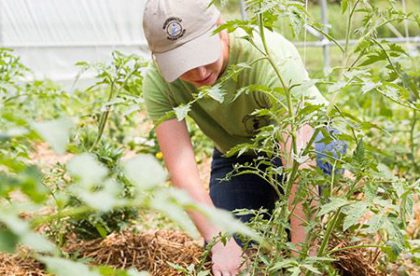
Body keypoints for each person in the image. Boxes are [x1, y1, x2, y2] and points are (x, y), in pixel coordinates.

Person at [142, 1, 345, 275]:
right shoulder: (158, 83)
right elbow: (181, 169)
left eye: (203, 55)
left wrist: (303, 256)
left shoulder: (267, 57)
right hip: (237, 155)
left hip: (311, 143)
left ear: (221, 28)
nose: (200, 73)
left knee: (299, 240)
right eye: (184, 65)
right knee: (234, 254)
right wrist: (219, 240)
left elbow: (301, 164)